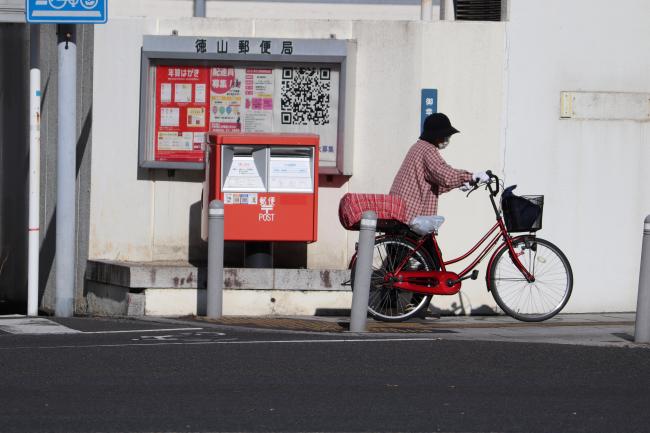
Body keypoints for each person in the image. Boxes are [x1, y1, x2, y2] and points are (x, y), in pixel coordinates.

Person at [389, 112, 489, 223]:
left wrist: (462, 182)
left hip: (401, 208)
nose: (447, 141)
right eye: (445, 137)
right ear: (435, 136)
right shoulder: (428, 150)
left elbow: (432, 183)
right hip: (411, 212)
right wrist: (472, 177)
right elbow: (444, 175)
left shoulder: (418, 146)